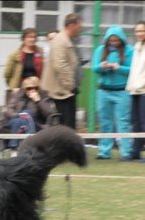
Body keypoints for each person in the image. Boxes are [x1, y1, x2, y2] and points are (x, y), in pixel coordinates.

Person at [91, 25, 134, 160]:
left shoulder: (129, 51)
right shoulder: (100, 50)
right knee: (105, 122)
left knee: (123, 121)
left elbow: (132, 70)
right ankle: (104, 151)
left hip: (122, 92)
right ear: (107, 39)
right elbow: (94, 68)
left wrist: (118, 68)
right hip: (103, 91)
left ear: (122, 39)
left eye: (116, 40)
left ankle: (126, 152)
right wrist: (102, 67)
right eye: (111, 40)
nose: (113, 43)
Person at [41, 13, 83, 129]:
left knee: (69, 125)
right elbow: (60, 65)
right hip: (61, 92)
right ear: (71, 25)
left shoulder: (66, 40)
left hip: (65, 91)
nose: (80, 29)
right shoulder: (60, 41)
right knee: (66, 126)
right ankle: (63, 147)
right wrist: (70, 85)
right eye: (79, 26)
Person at [1, 76, 57, 153]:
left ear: (39, 88)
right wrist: (18, 115)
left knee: (28, 114)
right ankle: (15, 147)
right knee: (21, 118)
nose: (32, 90)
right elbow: (8, 110)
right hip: (14, 120)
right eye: (29, 88)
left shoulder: (44, 96)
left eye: (35, 88)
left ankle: (13, 148)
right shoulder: (17, 95)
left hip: (35, 124)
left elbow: (50, 113)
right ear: (24, 89)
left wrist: (38, 101)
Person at [3, 28, 44, 94]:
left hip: (36, 89)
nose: (32, 39)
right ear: (23, 39)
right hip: (19, 89)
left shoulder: (40, 52)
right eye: (29, 37)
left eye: (34, 37)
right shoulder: (15, 55)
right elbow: (7, 74)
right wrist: (12, 86)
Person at [126, 21, 145, 161]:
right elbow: (134, 70)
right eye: (137, 31)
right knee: (136, 122)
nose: (139, 34)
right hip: (135, 90)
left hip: (143, 90)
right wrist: (131, 86)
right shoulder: (136, 47)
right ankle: (135, 152)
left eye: (142, 31)